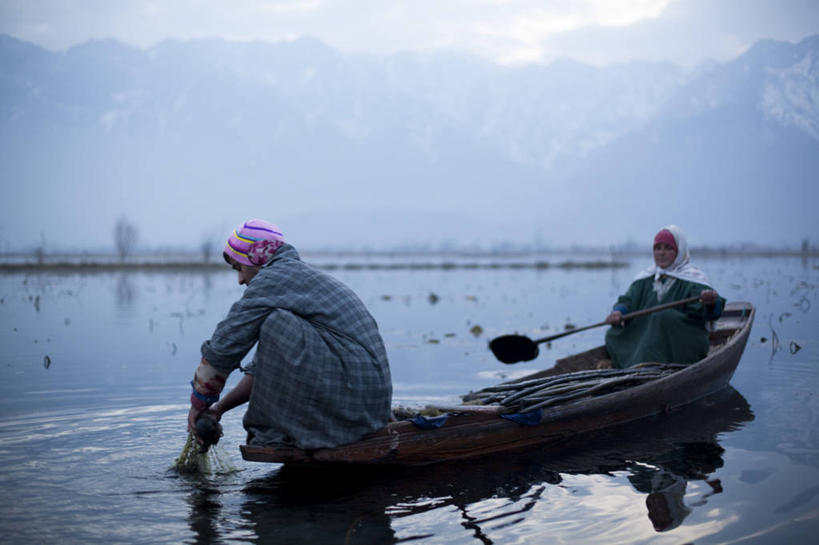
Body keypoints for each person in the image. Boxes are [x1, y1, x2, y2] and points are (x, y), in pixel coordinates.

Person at [187, 219, 392, 450]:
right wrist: (217, 409)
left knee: (276, 322)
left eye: (239, 268)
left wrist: (199, 401)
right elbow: (262, 369)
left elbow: (225, 344)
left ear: (257, 258)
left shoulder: (274, 279)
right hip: (370, 404)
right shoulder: (293, 279)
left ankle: (283, 434)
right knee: (276, 322)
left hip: (357, 398)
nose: (240, 280)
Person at [604, 225, 725, 368]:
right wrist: (618, 312)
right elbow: (628, 300)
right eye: (657, 248)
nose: (661, 253)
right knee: (613, 334)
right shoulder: (645, 278)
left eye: (668, 248)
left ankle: (649, 366)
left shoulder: (694, 279)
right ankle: (635, 363)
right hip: (645, 334)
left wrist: (710, 302)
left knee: (661, 317)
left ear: (679, 252)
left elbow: (713, 311)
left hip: (683, 339)